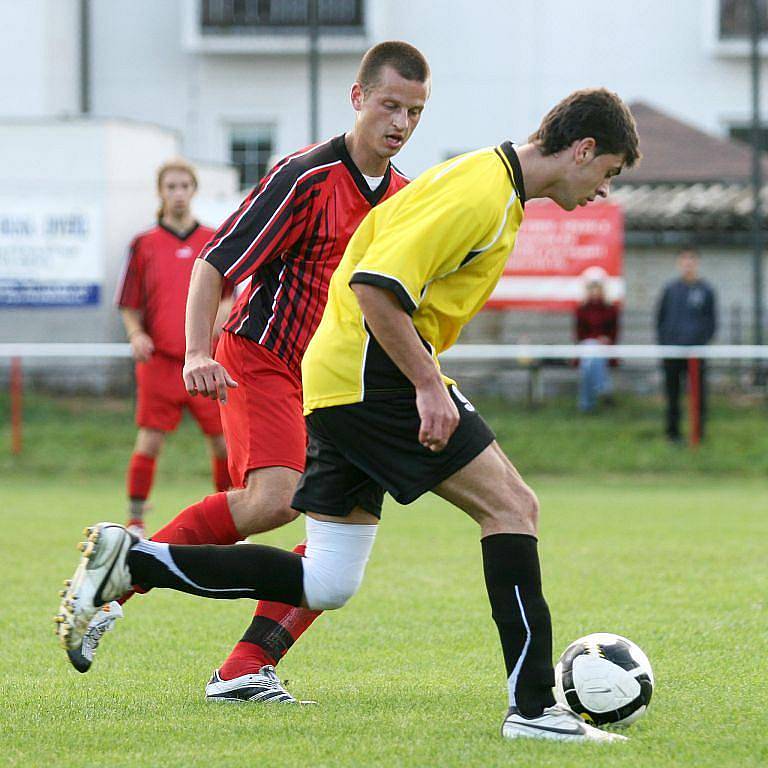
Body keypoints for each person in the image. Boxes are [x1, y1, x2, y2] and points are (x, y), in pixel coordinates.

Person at [56, 87, 640, 742]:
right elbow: (375, 286)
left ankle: (138, 564)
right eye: (609, 173)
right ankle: (534, 710)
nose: (603, 192)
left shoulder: (486, 184)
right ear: (583, 149)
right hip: (374, 378)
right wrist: (426, 385)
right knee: (512, 508)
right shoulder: (481, 189)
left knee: (327, 579)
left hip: (340, 378)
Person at [62, 41, 431, 692]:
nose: (400, 124)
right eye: (390, 106)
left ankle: (244, 667)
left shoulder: (403, 199)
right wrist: (198, 350)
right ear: (357, 98)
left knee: (341, 538)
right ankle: (125, 576)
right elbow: (215, 259)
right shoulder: (305, 176)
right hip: (264, 359)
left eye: (415, 112)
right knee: (275, 501)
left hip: (339, 386)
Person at [116, 159, 233, 539]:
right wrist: (136, 334)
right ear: (160, 192)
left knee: (223, 442)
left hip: (206, 361)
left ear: (194, 190)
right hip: (162, 362)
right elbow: (129, 303)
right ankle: (135, 520)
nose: (178, 193)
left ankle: (229, 520)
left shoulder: (214, 240)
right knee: (149, 439)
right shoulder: (144, 244)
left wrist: (221, 321)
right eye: (171, 186)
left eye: (185, 186)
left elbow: (231, 294)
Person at [655, 249, 717, 442]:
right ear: (679, 263)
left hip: (696, 353)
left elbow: (712, 321)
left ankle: (698, 434)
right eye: (684, 260)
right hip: (672, 352)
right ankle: (672, 434)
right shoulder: (670, 289)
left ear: (696, 262)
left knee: (698, 395)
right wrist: (665, 344)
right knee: (672, 395)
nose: (688, 264)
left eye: (691, 260)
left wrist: (701, 342)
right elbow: (660, 319)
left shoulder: (706, 290)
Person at [574, 271, 619, 412]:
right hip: (587, 346)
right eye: (592, 288)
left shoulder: (611, 310)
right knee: (591, 352)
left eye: (597, 288)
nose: (595, 291)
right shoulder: (581, 310)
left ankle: (586, 404)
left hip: (605, 349)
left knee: (589, 363)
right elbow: (580, 335)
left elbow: (614, 333)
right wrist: (594, 340)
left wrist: (605, 339)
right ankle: (602, 387)